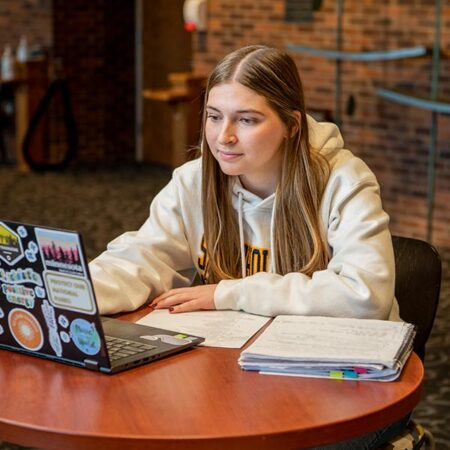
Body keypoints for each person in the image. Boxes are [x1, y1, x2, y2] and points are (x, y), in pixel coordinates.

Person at [90, 45, 408, 449]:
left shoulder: (343, 180)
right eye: (213, 116)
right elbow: (143, 258)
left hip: (350, 382)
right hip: (245, 369)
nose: (224, 136)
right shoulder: (194, 181)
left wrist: (229, 293)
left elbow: (365, 296)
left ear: (292, 125)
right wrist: (74, 289)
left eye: (247, 120)